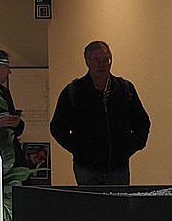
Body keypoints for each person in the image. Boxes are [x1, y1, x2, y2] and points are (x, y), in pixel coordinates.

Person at [49, 41, 151, 186]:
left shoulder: (125, 89)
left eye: (106, 60)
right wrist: (78, 149)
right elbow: (58, 126)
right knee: (91, 207)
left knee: (118, 207)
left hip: (119, 166)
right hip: (86, 167)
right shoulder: (74, 91)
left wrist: (132, 145)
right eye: (96, 60)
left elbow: (142, 121)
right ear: (87, 62)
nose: (101, 64)